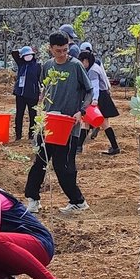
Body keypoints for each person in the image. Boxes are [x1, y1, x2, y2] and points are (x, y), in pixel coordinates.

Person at [24, 31, 93, 214]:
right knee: (39, 161)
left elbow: (89, 91)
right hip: (48, 122)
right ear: (51, 49)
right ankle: (33, 199)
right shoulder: (47, 66)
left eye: (65, 49)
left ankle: (78, 201)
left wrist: (81, 111)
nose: (63, 53)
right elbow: (44, 90)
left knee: (63, 165)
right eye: (58, 50)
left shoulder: (76, 66)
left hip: (69, 124)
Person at [77, 51, 120, 155]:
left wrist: (94, 100)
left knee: (102, 123)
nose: (82, 64)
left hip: (99, 98)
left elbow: (95, 87)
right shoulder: (95, 67)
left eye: (82, 61)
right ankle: (78, 147)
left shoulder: (92, 70)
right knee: (89, 121)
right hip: (102, 96)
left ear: (86, 61)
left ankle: (115, 147)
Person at [11, 46, 41, 141]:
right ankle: (18, 135)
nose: (28, 57)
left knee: (33, 115)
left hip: (32, 94)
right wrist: (22, 50)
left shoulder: (37, 66)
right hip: (20, 94)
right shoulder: (21, 64)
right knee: (19, 114)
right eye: (26, 55)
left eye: (30, 55)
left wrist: (41, 93)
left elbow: (41, 80)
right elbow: (14, 53)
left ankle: (31, 135)